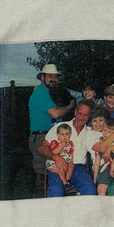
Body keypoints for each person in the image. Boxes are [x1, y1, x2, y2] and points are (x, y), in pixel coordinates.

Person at [28, 63, 74, 197]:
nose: (53, 79)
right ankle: (39, 202)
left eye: (55, 77)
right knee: (42, 176)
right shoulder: (41, 93)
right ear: (42, 77)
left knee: (55, 173)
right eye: (50, 76)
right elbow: (56, 113)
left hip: (51, 135)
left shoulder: (49, 93)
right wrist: (70, 106)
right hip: (41, 137)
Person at [38, 100, 99, 197]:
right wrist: (56, 157)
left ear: (90, 117)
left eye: (85, 115)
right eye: (80, 114)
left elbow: (109, 131)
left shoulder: (91, 132)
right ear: (75, 111)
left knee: (90, 189)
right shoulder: (61, 127)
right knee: (56, 190)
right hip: (58, 164)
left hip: (78, 167)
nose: (81, 118)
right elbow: (42, 148)